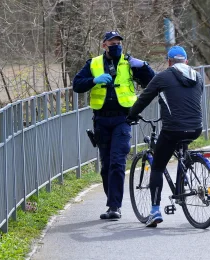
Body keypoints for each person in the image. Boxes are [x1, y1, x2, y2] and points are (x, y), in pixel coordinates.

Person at [73, 31, 155, 220]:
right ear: (104, 45)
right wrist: (94, 80)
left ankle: (114, 207)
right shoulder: (93, 64)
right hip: (101, 120)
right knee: (106, 166)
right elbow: (77, 85)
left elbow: (151, 81)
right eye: (112, 43)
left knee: (117, 163)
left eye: (118, 43)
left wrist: (144, 66)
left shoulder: (128, 63)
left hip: (123, 119)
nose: (116, 45)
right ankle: (112, 200)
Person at [126, 46, 204, 227]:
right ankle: (181, 184)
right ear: (186, 61)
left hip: (173, 129)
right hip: (196, 128)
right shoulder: (198, 77)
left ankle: (154, 211)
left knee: (158, 166)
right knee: (181, 150)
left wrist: (130, 115)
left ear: (169, 62)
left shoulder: (162, 77)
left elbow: (144, 98)